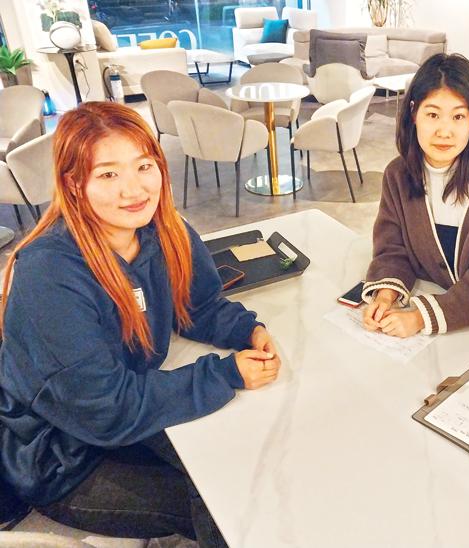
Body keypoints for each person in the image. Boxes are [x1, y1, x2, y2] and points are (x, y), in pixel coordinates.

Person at [0, 102, 281, 546]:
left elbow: (199, 304)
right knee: (227, 501)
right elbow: (105, 408)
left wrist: (246, 330)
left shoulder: (163, 229)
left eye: (144, 166)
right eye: (108, 174)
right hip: (63, 457)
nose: (134, 189)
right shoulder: (49, 273)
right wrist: (225, 374)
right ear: (73, 184)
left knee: (247, 462)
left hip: (128, 408)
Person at [362, 53, 469, 337]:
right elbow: (392, 249)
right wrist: (386, 295)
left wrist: (419, 318)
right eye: (432, 114)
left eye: (459, 116)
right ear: (414, 113)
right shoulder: (398, 175)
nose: (444, 131)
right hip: (435, 321)